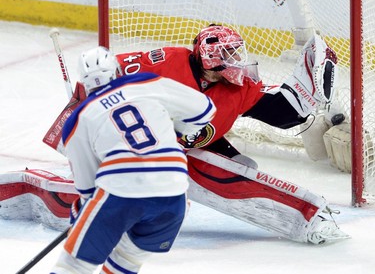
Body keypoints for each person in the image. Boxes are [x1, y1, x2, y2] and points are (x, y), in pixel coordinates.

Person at [44, 24, 349, 245]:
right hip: (146, 147)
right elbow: (107, 77)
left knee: (243, 168)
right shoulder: (165, 62)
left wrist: (304, 93)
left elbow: (280, 113)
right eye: (228, 53)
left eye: (235, 51)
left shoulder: (236, 86)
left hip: (186, 141)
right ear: (209, 57)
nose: (236, 58)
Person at [50, 46, 216, 273]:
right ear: (118, 70)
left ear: (85, 83)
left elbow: (88, 188)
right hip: (174, 192)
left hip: (122, 191)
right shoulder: (147, 82)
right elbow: (205, 109)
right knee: (127, 259)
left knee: (75, 264)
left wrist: (81, 216)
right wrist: (173, 131)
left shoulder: (79, 119)